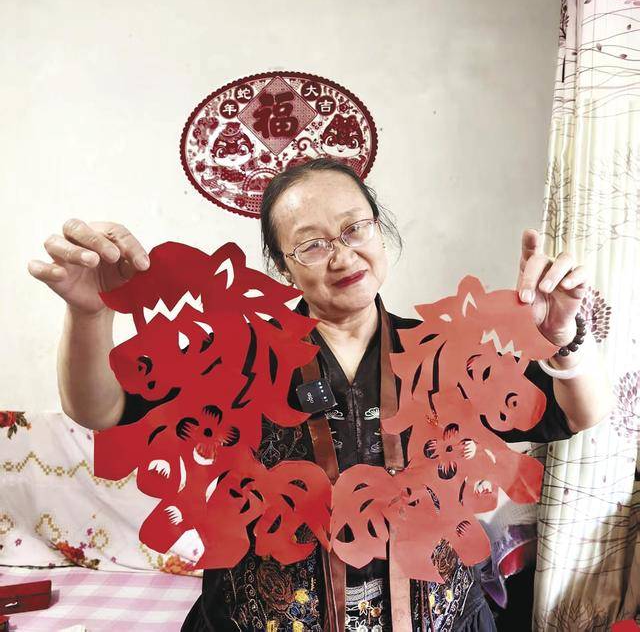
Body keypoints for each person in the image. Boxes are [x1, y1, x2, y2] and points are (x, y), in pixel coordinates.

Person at [28, 158, 613, 631]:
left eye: (355, 228)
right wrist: (90, 314)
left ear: (379, 231)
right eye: (311, 244)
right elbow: (100, 409)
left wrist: (564, 337)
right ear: (283, 268)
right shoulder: (236, 353)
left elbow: (572, 413)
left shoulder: (444, 351)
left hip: (442, 616)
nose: (342, 254)